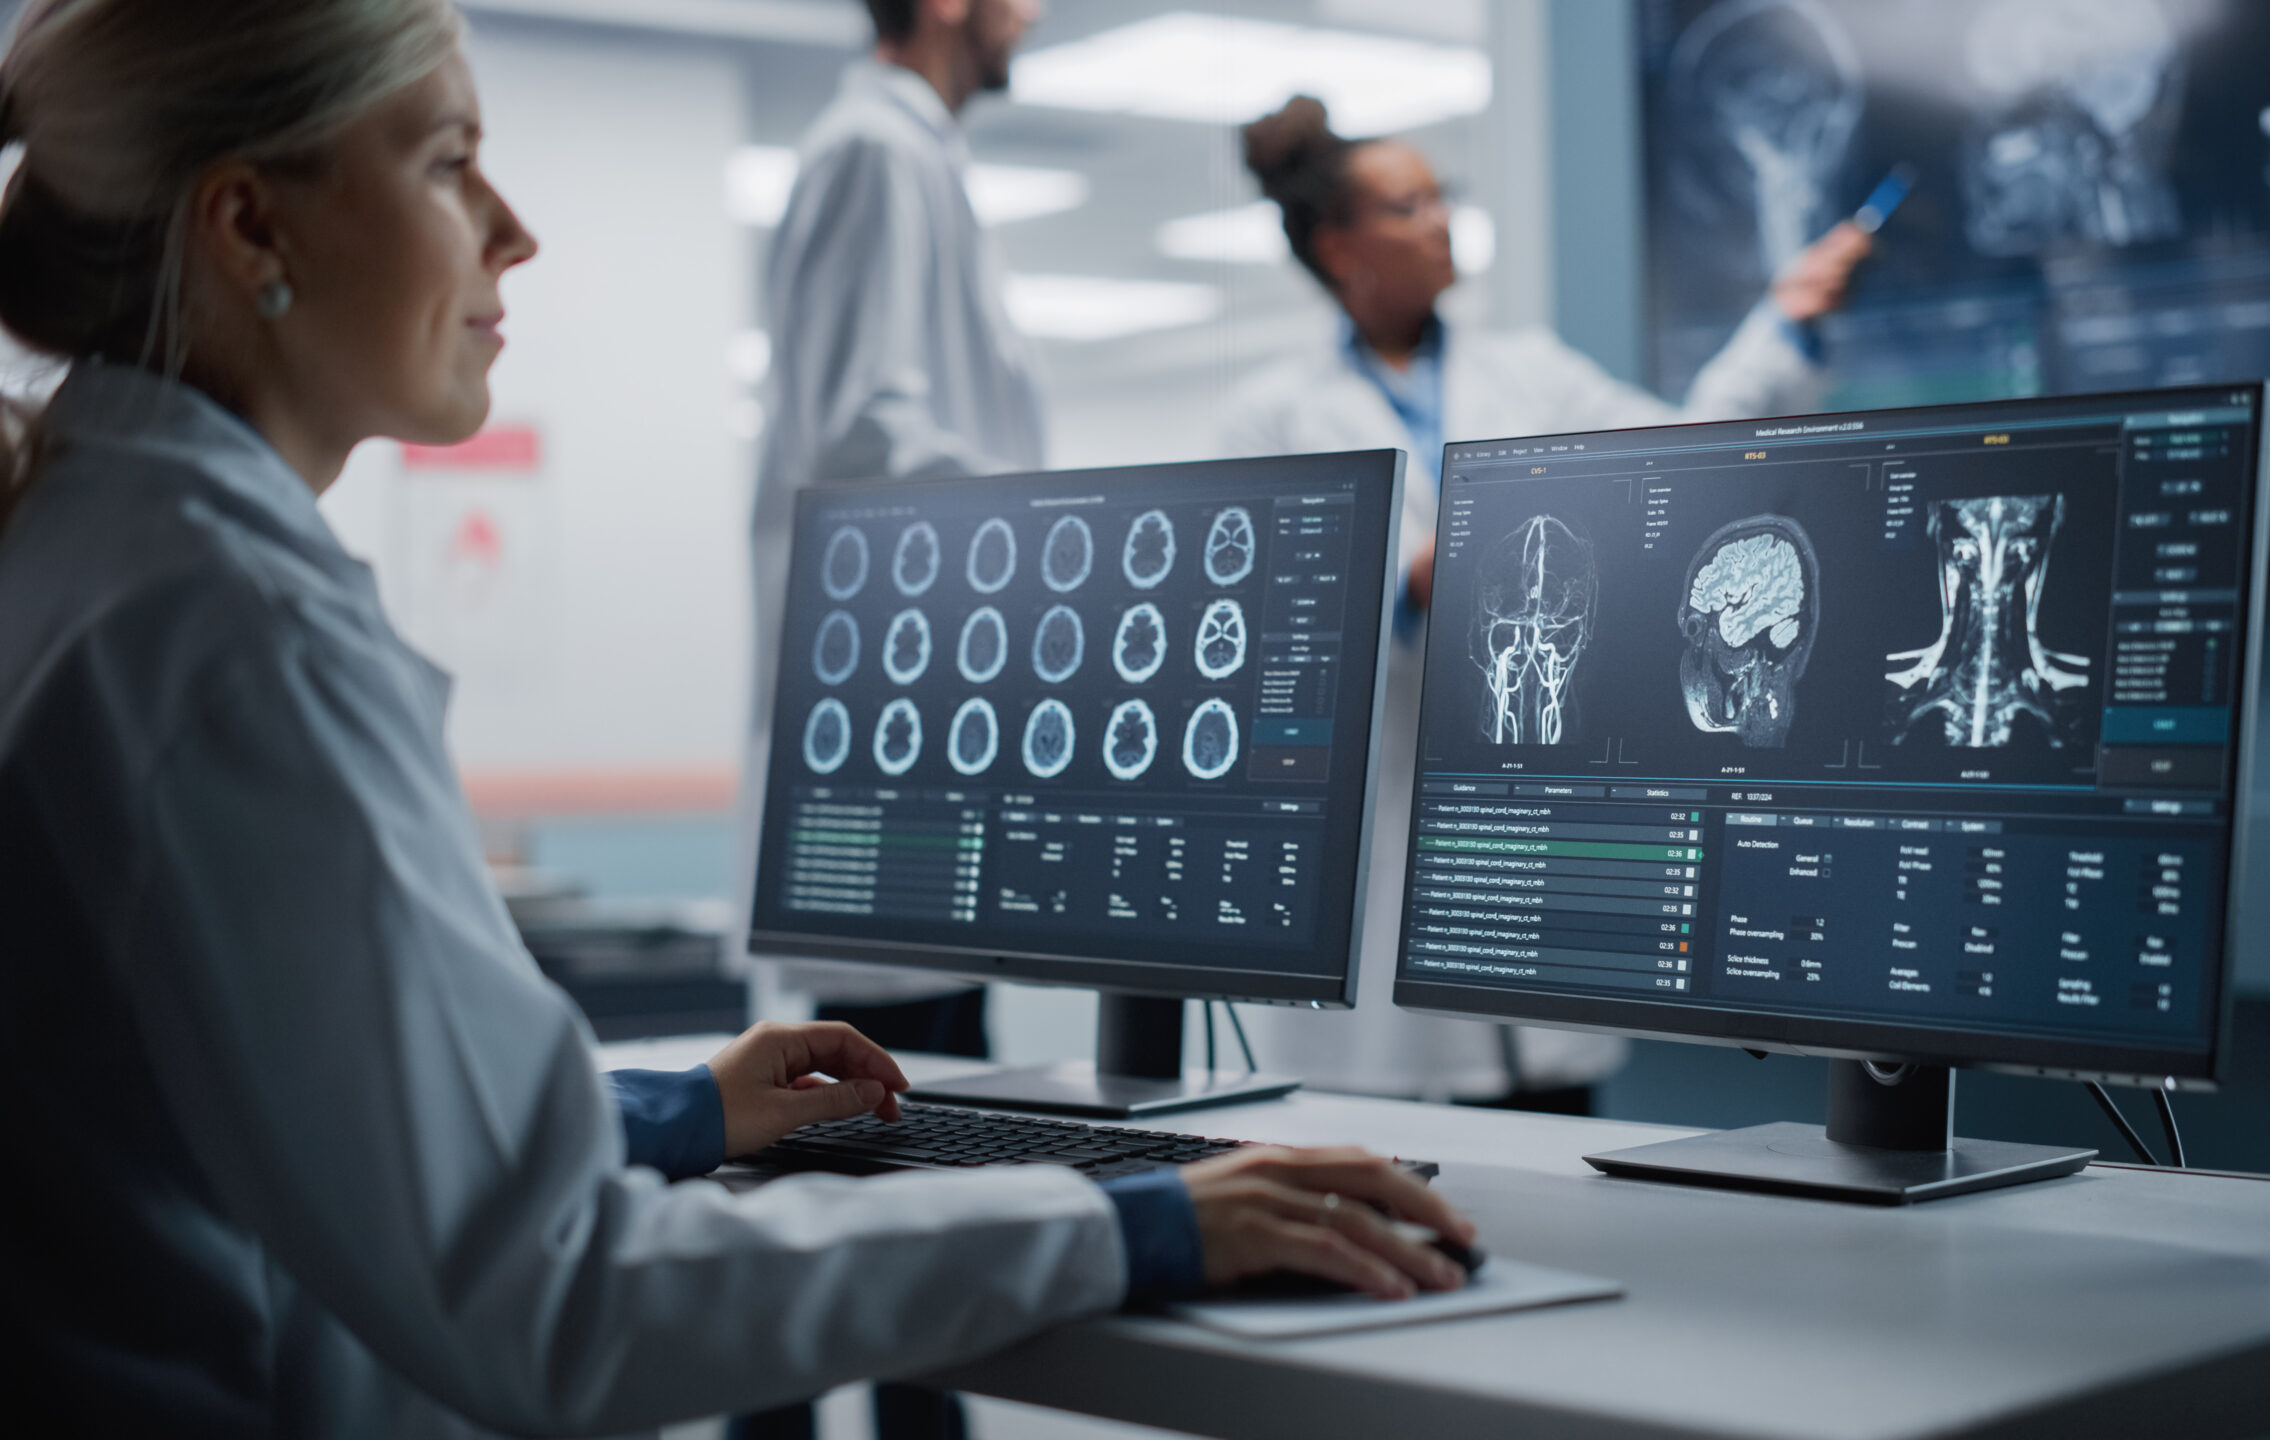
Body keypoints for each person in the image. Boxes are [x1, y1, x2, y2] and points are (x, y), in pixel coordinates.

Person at [0, 4, 1474, 1436]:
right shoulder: (235, 638)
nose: (511, 229)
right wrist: (1126, 1222)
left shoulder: (97, 545)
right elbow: (557, 1300)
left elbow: (330, 1114)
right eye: (450, 162)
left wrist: (663, 1116)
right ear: (251, 228)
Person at [1220, 97, 1875, 1111]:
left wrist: (1782, 319)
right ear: (1339, 246)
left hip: (1528, 861)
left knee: (1552, 1170)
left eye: (1443, 198)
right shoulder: (1269, 415)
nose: (1440, 222)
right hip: (1374, 857)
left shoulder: (1525, 371)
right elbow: (1286, 615)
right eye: (1408, 206)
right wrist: (1421, 575)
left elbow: (1676, 453)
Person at [735, 0, 1046, 1132]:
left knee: (940, 1067)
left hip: (923, 713)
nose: (1037, 12)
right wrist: (1071, 533)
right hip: (885, 717)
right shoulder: (872, 149)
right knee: (903, 1097)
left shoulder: (914, 153)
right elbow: (863, 434)